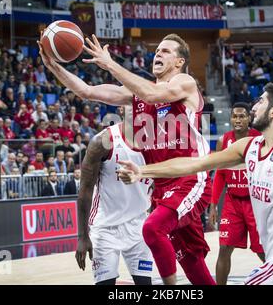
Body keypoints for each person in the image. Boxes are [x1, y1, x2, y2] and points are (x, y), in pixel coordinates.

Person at [118, 83, 273, 285]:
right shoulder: (249, 146)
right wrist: (142, 171)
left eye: (261, 101)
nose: (254, 107)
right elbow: (195, 164)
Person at [39, 33, 215, 285]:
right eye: (157, 50)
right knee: (190, 259)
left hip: (189, 177)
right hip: (163, 184)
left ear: (179, 62)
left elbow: (153, 95)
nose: (158, 54)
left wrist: (109, 63)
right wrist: (53, 66)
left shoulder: (184, 82)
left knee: (152, 230)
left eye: (165, 51)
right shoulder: (140, 94)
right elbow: (87, 91)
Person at [75, 107, 154, 285]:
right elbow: (85, 190)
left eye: (141, 102)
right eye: (130, 102)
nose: (137, 107)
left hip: (139, 224)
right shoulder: (103, 141)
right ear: (120, 108)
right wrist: (82, 236)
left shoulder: (156, 141)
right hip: (105, 227)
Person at [209, 102, 264, 285]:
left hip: (255, 202)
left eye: (242, 116)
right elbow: (220, 175)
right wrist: (213, 204)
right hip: (232, 202)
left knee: (262, 250)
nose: (238, 120)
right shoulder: (223, 141)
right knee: (224, 248)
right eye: (235, 116)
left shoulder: (260, 139)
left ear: (249, 118)